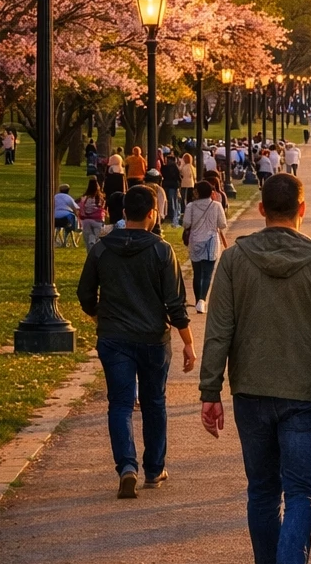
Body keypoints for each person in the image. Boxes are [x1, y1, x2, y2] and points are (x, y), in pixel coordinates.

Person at [201, 174, 311, 564]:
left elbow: (219, 329)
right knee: (302, 491)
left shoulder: (234, 260)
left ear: (261, 209)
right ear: (303, 208)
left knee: (262, 490)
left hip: (251, 390)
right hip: (306, 392)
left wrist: (210, 392)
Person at [77, 184, 194, 498]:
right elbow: (175, 302)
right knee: (154, 403)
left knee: (120, 404)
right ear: (153, 214)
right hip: (153, 337)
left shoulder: (101, 248)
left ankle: (127, 466)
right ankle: (154, 469)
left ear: (123, 212)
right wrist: (187, 340)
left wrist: (97, 313)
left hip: (114, 336)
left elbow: (84, 292)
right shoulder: (160, 250)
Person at [183, 180, 230, 313]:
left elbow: (186, 223)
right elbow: (222, 224)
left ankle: (198, 299)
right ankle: (202, 300)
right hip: (211, 241)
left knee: (197, 273)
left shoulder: (190, 206)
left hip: (195, 241)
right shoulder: (216, 205)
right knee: (208, 273)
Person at [78, 177, 106, 251]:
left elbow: (79, 206)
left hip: (86, 220)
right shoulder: (100, 198)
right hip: (98, 220)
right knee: (98, 239)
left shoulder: (84, 197)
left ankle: (90, 254)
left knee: (88, 240)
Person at [161, 153, 182, 225]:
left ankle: (168, 215)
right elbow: (178, 177)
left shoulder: (164, 167)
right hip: (173, 186)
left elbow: (163, 174)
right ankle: (174, 217)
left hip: (166, 185)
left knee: (168, 200)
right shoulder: (175, 167)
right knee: (173, 201)